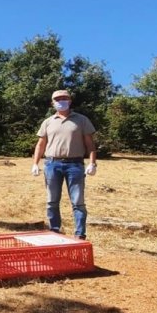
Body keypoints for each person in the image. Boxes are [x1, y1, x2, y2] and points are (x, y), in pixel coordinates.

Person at [31, 89, 98, 239]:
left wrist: (92, 163)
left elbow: (90, 144)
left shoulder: (81, 120)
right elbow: (40, 144)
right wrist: (35, 163)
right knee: (51, 201)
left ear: (70, 101)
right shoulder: (48, 122)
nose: (61, 101)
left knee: (78, 202)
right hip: (52, 164)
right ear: (52, 103)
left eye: (64, 98)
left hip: (75, 165)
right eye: (57, 99)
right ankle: (54, 231)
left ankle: (80, 234)